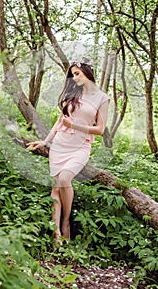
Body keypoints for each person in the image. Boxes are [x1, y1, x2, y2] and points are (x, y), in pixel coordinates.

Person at [27, 58, 110, 244]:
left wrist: (74, 125)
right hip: (60, 144)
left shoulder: (102, 98)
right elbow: (60, 121)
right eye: (72, 75)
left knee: (64, 179)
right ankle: (56, 232)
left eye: (77, 74)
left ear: (87, 72)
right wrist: (45, 142)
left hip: (80, 146)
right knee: (56, 188)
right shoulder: (73, 94)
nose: (74, 78)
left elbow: (100, 129)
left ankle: (65, 221)